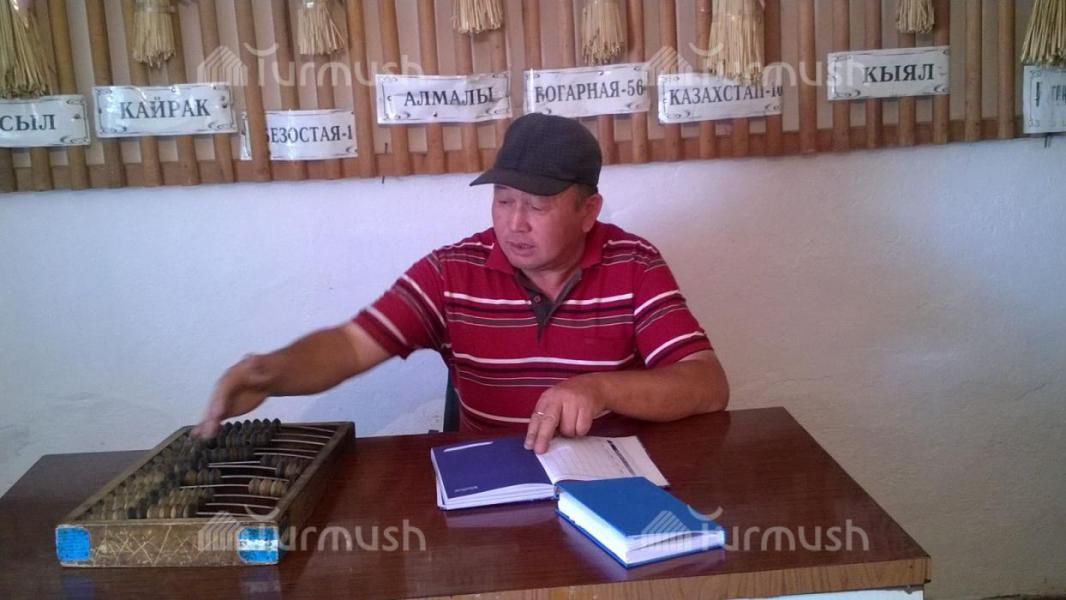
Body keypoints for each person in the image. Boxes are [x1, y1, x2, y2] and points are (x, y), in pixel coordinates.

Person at [194, 113, 729, 453]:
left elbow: (707, 384)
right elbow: (352, 345)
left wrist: (599, 388)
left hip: (611, 483)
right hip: (490, 486)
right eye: (502, 201)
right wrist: (275, 372)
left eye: (536, 207)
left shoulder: (633, 263)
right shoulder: (451, 273)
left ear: (589, 211)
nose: (514, 224)